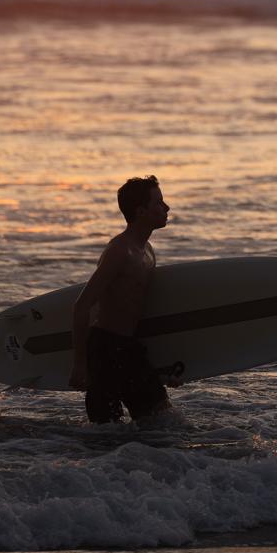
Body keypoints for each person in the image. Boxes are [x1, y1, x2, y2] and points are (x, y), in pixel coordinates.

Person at [69, 175, 172, 423]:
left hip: (129, 348)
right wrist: (80, 364)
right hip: (104, 350)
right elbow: (82, 306)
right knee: (105, 433)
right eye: (159, 203)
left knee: (162, 419)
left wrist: (166, 366)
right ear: (140, 211)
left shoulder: (147, 251)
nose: (166, 207)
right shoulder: (119, 251)